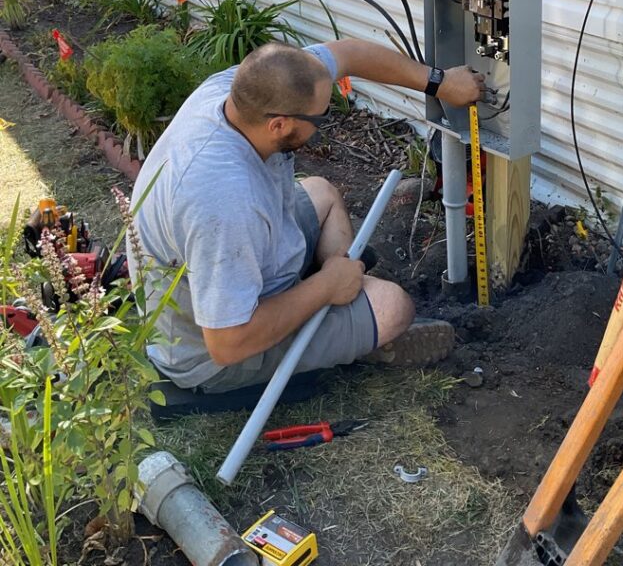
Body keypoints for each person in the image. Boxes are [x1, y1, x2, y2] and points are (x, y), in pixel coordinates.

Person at [128, 38, 484, 393]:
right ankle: (345, 313)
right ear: (279, 125)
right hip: (210, 351)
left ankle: (333, 294)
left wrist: (441, 82)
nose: (325, 120)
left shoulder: (245, 90)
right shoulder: (225, 201)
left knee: (322, 193)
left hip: (243, 264)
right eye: (321, 116)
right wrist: (326, 288)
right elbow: (227, 343)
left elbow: (349, 53)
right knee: (393, 307)